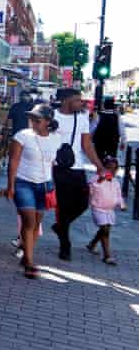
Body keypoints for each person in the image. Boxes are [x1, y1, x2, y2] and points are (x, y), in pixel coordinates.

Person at [7, 104, 61, 279]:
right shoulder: (22, 136)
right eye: (31, 118)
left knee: (36, 225)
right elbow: (13, 161)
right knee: (29, 222)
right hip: (24, 183)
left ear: (47, 121)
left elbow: (52, 162)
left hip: (44, 185)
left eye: (37, 119)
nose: (33, 122)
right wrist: (11, 185)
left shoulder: (56, 139)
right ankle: (29, 261)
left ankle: (26, 252)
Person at [52, 88, 105, 261]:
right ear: (66, 101)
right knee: (63, 207)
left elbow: (87, 145)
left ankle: (60, 227)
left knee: (82, 203)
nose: (81, 103)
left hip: (77, 167)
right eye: (77, 100)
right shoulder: (51, 116)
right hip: (57, 167)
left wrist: (99, 166)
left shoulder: (81, 118)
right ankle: (65, 245)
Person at [87, 156, 124, 266]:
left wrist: (121, 204)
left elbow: (119, 195)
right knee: (105, 229)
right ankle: (107, 256)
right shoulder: (95, 179)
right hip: (98, 209)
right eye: (109, 168)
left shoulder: (116, 182)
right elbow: (92, 189)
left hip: (110, 210)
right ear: (103, 168)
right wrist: (100, 180)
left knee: (105, 229)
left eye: (114, 169)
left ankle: (92, 243)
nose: (111, 171)